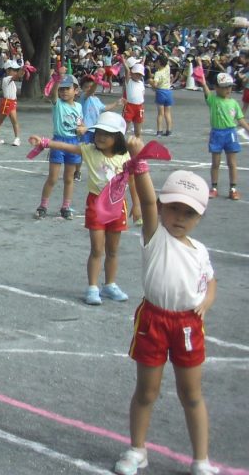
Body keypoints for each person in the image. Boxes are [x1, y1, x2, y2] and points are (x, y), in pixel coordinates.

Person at [113, 158, 217, 475]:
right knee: (147, 391)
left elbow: (210, 281)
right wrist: (140, 167)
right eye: (173, 208)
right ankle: (137, 450)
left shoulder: (199, 250)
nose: (180, 218)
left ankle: (201, 460)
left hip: (188, 324)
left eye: (189, 213)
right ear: (161, 207)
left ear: (199, 216)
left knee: (191, 394)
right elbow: (144, 199)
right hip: (154, 320)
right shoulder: (155, 239)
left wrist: (207, 302)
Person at [28, 111, 136, 306]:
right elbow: (67, 146)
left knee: (113, 250)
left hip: (118, 205)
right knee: (97, 249)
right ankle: (93, 287)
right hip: (96, 204)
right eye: (99, 132)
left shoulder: (126, 156)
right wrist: (44, 142)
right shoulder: (89, 150)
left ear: (118, 137)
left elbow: (134, 180)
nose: (101, 137)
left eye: (108, 134)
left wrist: (136, 204)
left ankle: (110, 284)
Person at [196, 62, 249, 200]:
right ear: (216, 87)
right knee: (216, 162)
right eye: (224, 87)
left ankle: (233, 188)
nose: (228, 90)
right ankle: (214, 187)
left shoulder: (234, 103)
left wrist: (248, 128)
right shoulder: (213, 99)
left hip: (230, 133)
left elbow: (240, 119)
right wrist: (202, 82)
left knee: (232, 163)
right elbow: (206, 89)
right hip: (217, 133)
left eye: (230, 87)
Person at [33, 74, 83, 219]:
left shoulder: (79, 107)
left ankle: (66, 206)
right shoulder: (58, 104)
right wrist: (56, 80)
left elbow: (81, 123)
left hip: (73, 142)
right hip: (58, 142)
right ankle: (43, 205)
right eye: (62, 89)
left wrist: (83, 129)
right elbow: (52, 95)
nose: (64, 92)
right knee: (53, 178)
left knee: (69, 178)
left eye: (68, 89)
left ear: (76, 90)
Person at [0, 60, 24, 145]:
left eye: (16, 70)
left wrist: (23, 69)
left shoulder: (9, 80)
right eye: (13, 70)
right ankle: (16, 138)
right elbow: (19, 75)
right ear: (8, 70)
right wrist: (24, 68)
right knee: (12, 121)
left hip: (9, 102)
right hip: (8, 103)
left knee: (2, 121)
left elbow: (19, 75)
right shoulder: (7, 79)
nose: (15, 72)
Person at [149, 54, 174, 137]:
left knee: (160, 113)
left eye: (156, 62)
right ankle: (169, 131)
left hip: (161, 92)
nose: (155, 63)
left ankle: (159, 131)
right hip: (168, 92)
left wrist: (150, 82)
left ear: (159, 62)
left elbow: (155, 85)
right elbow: (166, 59)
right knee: (168, 113)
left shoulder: (158, 73)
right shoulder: (167, 68)